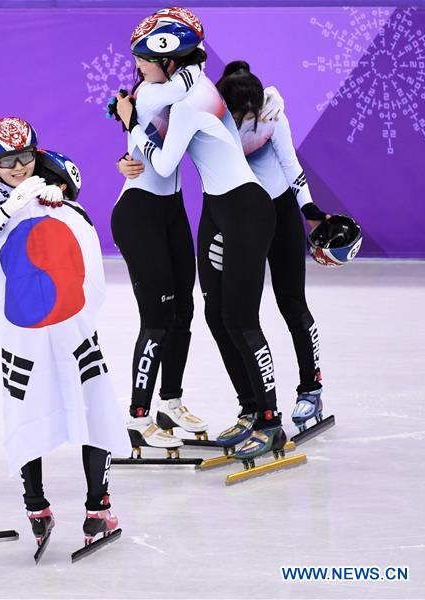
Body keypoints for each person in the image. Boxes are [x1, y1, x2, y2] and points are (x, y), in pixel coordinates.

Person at [116, 7, 289, 465]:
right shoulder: (189, 86)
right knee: (220, 315)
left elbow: (165, 163)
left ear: (169, 60)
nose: (138, 69)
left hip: (244, 209)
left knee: (240, 319)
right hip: (227, 208)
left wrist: (131, 121)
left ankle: (270, 423)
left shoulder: (189, 102)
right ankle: (255, 410)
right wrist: (130, 136)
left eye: (143, 60)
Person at [0, 117, 130, 549]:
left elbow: (84, 235)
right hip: (25, 330)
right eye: (5, 161)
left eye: (24, 158)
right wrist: (9, 208)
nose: (17, 168)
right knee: (27, 409)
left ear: (36, 153)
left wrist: (63, 200)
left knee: (93, 405)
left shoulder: (48, 180)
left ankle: (98, 507)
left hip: (69, 324)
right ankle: (36, 505)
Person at [216, 61, 330, 432]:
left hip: (279, 211)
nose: (245, 121)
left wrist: (309, 210)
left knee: (292, 302)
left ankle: (311, 388)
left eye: (250, 115)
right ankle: (254, 403)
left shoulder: (271, 114)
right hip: (242, 216)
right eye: (238, 115)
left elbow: (289, 161)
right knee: (240, 314)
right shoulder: (215, 119)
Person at [109, 55, 208, 455]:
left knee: (183, 310)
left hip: (172, 209)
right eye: (137, 59)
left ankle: (170, 403)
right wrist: (193, 58)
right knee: (156, 319)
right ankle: (137, 417)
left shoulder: (161, 95)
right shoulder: (151, 92)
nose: (138, 65)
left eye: (146, 59)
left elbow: (146, 146)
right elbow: (183, 85)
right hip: (139, 213)